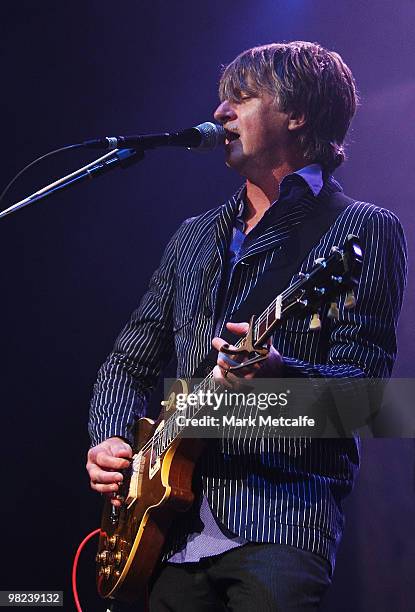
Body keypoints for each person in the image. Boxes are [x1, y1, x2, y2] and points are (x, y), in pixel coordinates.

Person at [86, 42, 407, 610]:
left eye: (242, 97)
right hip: (170, 536)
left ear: (297, 113)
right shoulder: (194, 236)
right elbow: (128, 360)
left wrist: (281, 374)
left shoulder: (362, 229)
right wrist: (111, 440)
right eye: (221, 100)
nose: (219, 114)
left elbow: (369, 398)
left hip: (279, 526)